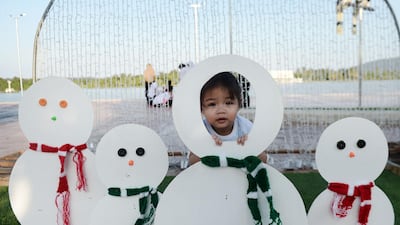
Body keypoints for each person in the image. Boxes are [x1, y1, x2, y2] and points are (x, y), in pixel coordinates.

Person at [188, 72, 267, 165]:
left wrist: (250, 147)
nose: (221, 110)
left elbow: (264, 160)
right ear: (201, 108)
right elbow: (192, 162)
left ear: (239, 105)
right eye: (212, 104)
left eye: (228, 103)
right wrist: (206, 147)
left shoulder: (246, 128)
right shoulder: (201, 131)